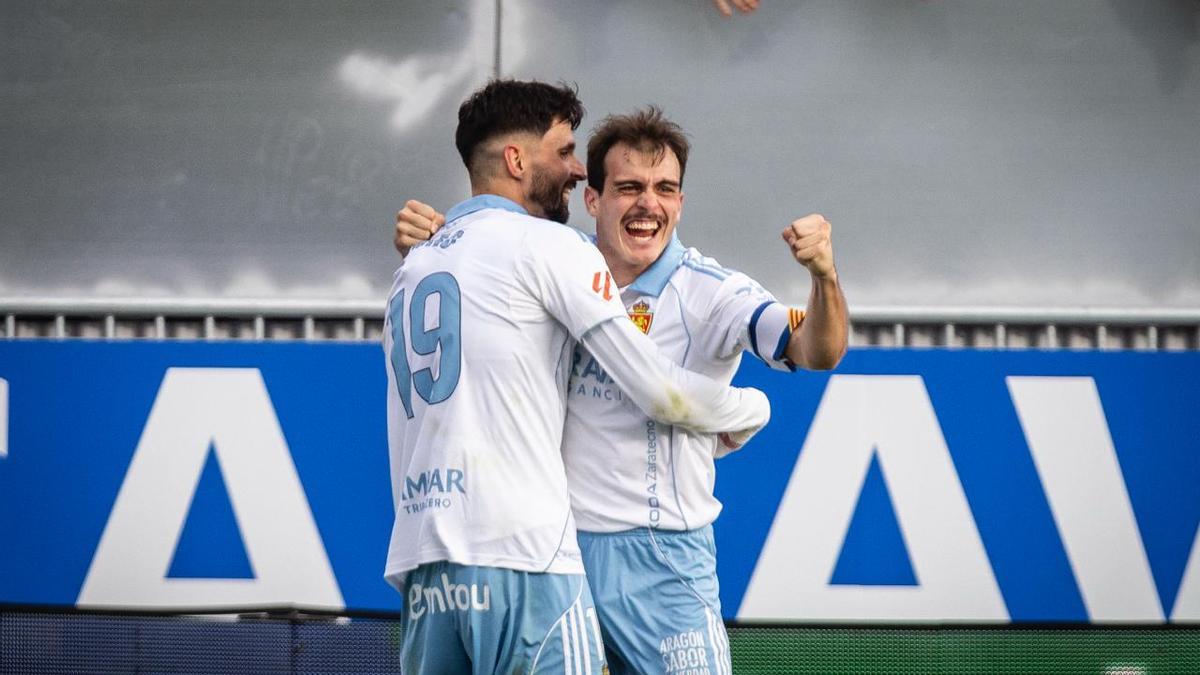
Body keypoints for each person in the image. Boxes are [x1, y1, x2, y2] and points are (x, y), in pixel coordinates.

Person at [395, 106, 848, 674]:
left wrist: (824, 277)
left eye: (665, 189)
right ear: (594, 199)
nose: (647, 204)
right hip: (558, 553)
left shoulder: (710, 291)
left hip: (664, 559)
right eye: (629, 187)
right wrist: (434, 237)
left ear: (681, 203)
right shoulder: (552, 263)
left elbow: (817, 350)